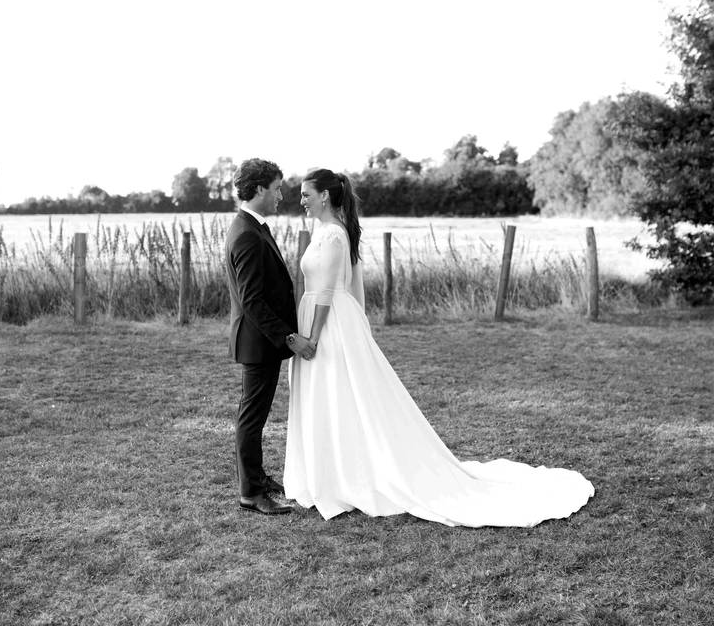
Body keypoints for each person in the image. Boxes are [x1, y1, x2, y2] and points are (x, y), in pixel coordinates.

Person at [284, 168, 595, 527]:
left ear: (324, 196)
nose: (301, 200)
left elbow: (327, 292)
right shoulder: (323, 231)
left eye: (306, 194)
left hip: (328, 323)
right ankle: (330, 472)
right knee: (331, 396)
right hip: (320, 317)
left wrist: (314, 338)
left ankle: (349, 476)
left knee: (342, 395)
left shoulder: (335, 235)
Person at [225, 158, 315, 516]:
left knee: (255, 413)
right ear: (260, 189)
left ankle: (258, 479)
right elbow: (252, 301)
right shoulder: (246, 233)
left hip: (261, 340)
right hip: (258, 341)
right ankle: (250, 493)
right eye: (277, 188)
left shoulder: (252, 226)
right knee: (252, 416)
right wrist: (290, 337)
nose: (281, 195)